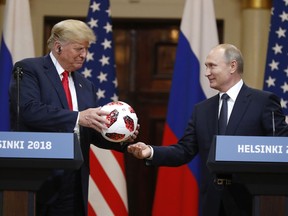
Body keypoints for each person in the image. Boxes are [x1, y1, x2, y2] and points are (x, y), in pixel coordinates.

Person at [127, 43, 288, 216]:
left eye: (212, 66)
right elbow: (184, 150)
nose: (207, 73)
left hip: (253, 203)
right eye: (206, 66)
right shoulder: (201, 110)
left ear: (232, 66)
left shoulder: (263, 102)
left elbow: (279, 149)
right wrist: (150, 152)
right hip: (213, 203)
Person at [9, 19, 138, 216]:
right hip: (39, 176)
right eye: (79, 49)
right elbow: (29, 110)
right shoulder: (29, 70)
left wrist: (121, 136)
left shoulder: (86, 86)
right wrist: (78, 117)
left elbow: (91, 132)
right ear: (58, 47)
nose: (84, 55)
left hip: (75, 178)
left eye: (86, 49)